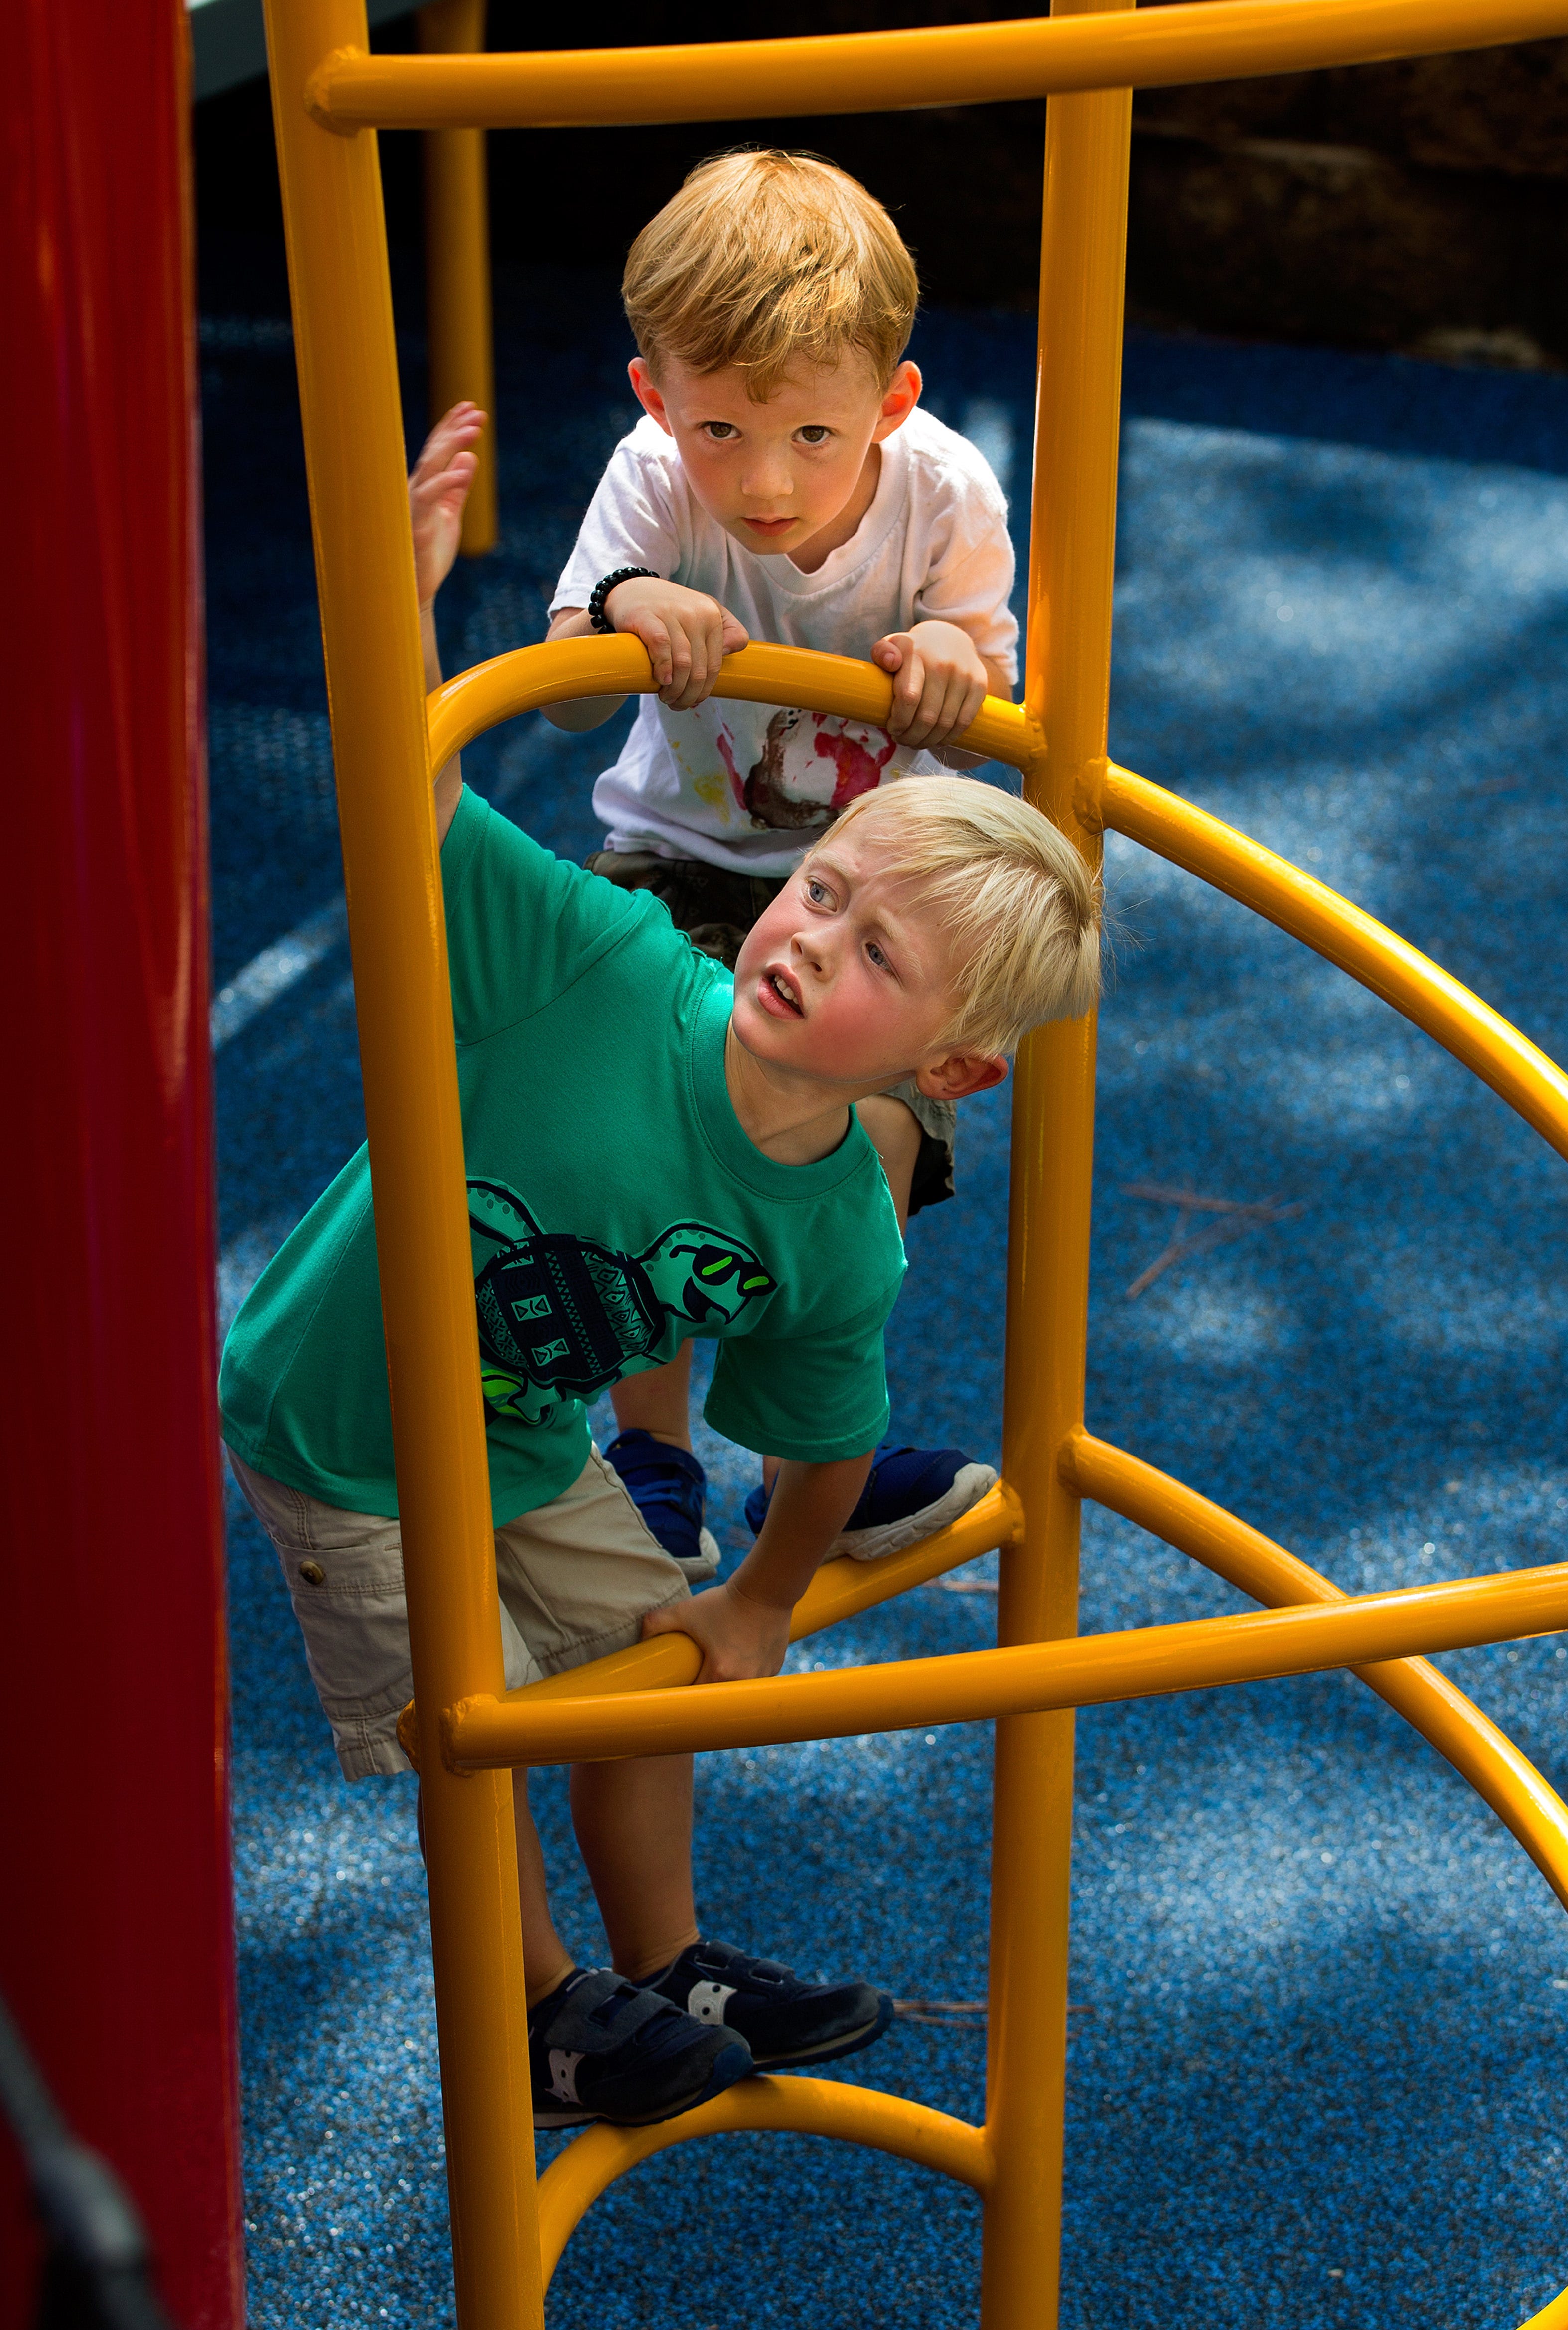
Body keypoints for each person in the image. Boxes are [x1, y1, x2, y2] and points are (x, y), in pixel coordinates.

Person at [219, 406, 1101, 2131]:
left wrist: (758, 1600)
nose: (810, 940)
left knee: (652, 1665)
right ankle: (542, 2012)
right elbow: (409, 793)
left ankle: (668, 1959)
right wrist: (399, 607)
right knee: (472, 1721)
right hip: (341, 1421)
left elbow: (825, 1434)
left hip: (519, 1427)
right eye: (819, 891)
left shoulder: (835, 1226)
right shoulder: (603, 964)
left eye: (876, 955)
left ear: (950, 1070)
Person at [543, 146, 1020, 1583]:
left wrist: (954, 663)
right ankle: (653, 1448)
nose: (763, 481)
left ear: (893, 401)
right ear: (655, 397)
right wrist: (629, 606)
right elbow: (563, 696)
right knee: (643, 1117)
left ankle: (816, 1454)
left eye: (815, 435)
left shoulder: (945, 492)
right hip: (680, 853)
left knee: (865, 1142)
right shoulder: (651, 478)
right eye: (719, 431)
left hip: (870, 889)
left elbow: (995, 708)